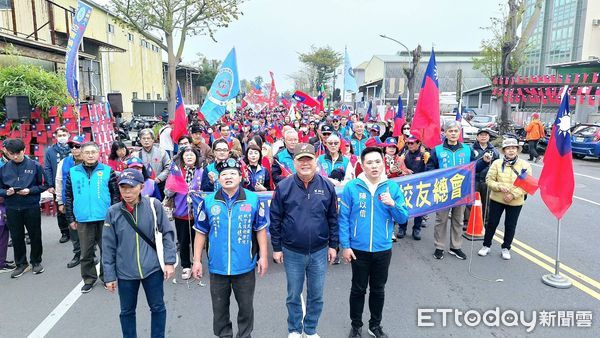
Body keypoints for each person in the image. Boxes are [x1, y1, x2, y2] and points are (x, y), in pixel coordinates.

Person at [192, 158, 269, 338]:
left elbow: (260, 230)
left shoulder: (252, 199)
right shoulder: (209, 201)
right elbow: (201, 232)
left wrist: (263, 257)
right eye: (224, 174)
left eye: (233, 173)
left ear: (240, 176)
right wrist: (196, 260)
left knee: (246, 308)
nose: (228, 177)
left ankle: (245, 335)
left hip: (244, 266)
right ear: (219, 179)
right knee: (219, 310)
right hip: (217, 266)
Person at [270, 143, 339, 338]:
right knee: (293, 294)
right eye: (301, 160)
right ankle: (294, 329)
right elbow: (275, 219)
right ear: (294, 163)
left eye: (309, 159)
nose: (305, 163)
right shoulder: (284, 187)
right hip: (292, 251)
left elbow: (333, 218)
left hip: (319, 250)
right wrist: (276, 248)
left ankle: (310, 330)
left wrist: (334, 245)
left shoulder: (327, 186)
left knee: (316, 295)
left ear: (316, 161)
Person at [339, 147, 409, 338]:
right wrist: (345, 246)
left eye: (377, 162)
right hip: (358, 249)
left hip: (383, 248)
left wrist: (392, 205)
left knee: (378, 289)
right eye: (369, 163)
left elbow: (403, 218)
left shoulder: (392, 188)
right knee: (358, 289)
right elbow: (343, 218)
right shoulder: (352, 187)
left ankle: (375, 325)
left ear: (383, 163)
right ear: (362, 165)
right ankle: (356, 325)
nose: (374, 166)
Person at [103, 169, 177, 338]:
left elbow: (167, 233)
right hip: (125, 272)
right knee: (127, 311)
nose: (127, 192)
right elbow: (108, 246)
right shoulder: (113, 212)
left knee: (157, 307)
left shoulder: (154, 205)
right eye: (123, 188)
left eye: (132, 187)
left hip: (152, 269)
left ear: (142, 186)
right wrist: (109, 276)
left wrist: (169, 261)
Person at [65, 142, 120, 293]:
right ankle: (88, 279)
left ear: (98, 154)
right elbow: (68, 196)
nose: (90, 155)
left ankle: (106, 277)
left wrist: (114, 216)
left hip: (105, 218)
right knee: (86, 252)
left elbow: (116, 195)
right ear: (81, 154)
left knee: (107, 250)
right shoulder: (72, 172)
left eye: (93, 152)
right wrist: (70, 218)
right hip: (82, 219)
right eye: (87, 152)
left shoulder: (108, 171)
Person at [0, 138, 48, 278]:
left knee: (35, 235)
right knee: (16, 237)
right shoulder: (3, 169)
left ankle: (36, 261)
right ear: (7, 153)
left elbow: (44, 185)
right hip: (12, 207)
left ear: (24, 150)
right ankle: (21, 263)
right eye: (11, 154)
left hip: (31, 205)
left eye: (18, 153)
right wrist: (5, 192)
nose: (15, 156)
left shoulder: (35, 166)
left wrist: (30, 191)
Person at [478, 138, 531, 260]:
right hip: (497, 198)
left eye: (513, 148)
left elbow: (527, 184)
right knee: (491, 223)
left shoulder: (525, 165)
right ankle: (486, 245)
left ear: (517, 150)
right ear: (504, 150)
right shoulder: (497, 163)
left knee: (510, 225)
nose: (511, 151)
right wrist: (499, 187)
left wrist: (513, 195)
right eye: (508, 148)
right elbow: (489, 180)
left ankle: (506, 247)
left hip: (515, 201)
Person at [427, 120, 471, 260]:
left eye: (455, 131)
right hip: (443, 190)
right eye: (450, 131)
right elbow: (430, 169)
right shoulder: (437, 150)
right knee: (441, 220)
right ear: (445, 133)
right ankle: (439, 246)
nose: (453, 133)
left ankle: (455, 247)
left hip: (461, 190)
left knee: (458, 220)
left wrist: (485, 162)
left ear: (459, 133)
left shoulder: (467, 149)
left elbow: (474, 168)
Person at [166, 147, 203, 280]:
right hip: (181, 212)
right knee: (183, 241)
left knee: (197, 240)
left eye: (191, 155)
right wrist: (172, 187)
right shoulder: (176, 173)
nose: (189, 157)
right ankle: (186, 266)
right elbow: (168, 192)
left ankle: (197, 264)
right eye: (186, 155)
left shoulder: (202, 172)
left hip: (198, 213)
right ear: (182, 158)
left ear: (196, 157)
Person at [56, 135, 86, 268]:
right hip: (70, 201)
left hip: (86, 201)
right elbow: (59, 182)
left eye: (77, 146)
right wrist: (60, 202)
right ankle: (77, 253)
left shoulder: (90, 161)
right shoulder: (64, 162)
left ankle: (90, 253)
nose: (74, 149)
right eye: (72, 146)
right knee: (73, 228)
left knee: (88, 228)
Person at [396, 136, 429, 240]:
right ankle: (402, 227)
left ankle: (417, 228)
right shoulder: (404, 154)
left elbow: (430, 170)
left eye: (412, 143)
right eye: (408, 143)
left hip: (421, 185)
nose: (410, 145)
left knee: (419, 207)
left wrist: (427, 162)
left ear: (418, 143)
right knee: (404, 206)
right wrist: (404, 171)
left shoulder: (424, 155)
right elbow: (399, 169)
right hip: (408, 185)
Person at [44, 126, 72, 244]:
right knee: (61, 209)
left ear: (68, 136)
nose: (62, 137)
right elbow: (47, 168)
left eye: (64, 135)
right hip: (58, 184)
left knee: (75, 207)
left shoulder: (74, 148)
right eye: (59, 135)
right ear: (55, 137)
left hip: (74, 184)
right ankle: (64, 232)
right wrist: (50, 185)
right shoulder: (50, 151)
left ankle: (76, 230)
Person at [467, 129, 500, 228]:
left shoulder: (494, 151)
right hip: (474, 179)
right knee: (471, 202)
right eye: (481, 135)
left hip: (487, 180)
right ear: (477, 137)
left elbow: (497, 166)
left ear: (489, 137)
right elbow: (469, 165)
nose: (483, 137)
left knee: (487, 203)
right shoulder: (471, 149)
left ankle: (484, 221)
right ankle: (468, 221)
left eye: (486, 135)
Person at [136, 129, 171, 195]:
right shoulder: (136, 155)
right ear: (140, 140)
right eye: (143, 138)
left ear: (153, 140)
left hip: (159, 184)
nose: (146, 140)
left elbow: (169, 167)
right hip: (143, 186)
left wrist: (159, 179)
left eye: (148, 138)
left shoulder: (162, 152)